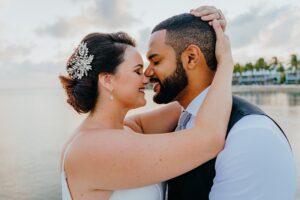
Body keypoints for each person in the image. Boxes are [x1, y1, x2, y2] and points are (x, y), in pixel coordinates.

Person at [59, 9, 233, 200]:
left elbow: (191, 95)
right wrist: (225, 61)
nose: (146, 77)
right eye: (137, 71)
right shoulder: (91, 148)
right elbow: (208, 139)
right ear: (108, 81)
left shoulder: (124, 129)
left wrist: (208, 40)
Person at [144, 7, 297, 200]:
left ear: (191, 57)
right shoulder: (181, 118)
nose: (147, 73)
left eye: (155, 61)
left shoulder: (252, 135)